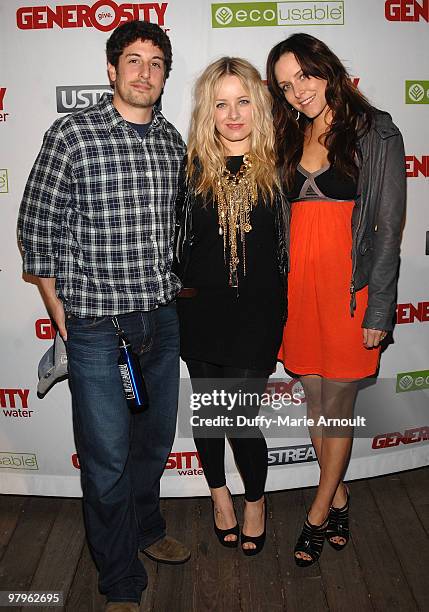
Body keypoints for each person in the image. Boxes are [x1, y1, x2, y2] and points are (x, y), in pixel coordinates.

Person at [18, 20, 189, 612]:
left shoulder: (173, 143)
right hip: (94, 327)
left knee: (152, 445)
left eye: (157, 62)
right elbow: (34, 229)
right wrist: (59, 311)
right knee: (107, 458)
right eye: (134, 61)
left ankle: (147, 530)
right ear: (112, 69)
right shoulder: (74, 134)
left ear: (166, 75)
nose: (145, 72)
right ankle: (119, 581)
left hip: (160, 322)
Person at [266, 33, 406, 566]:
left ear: (327, 69)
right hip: (301, 292)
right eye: (285, 85)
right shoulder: (289, 134)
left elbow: (389, 228)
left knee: (337, 409)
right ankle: (341, 494)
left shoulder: (376, 131)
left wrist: (380, 309)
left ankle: (318, 513)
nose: (297, 90)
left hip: (352, 294)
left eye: (304, 75)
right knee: (315, 402)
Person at [175, 57, 289, 556]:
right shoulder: (189, 167)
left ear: (258, 105)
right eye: (221, 103)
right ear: (208, 110)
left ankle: (256, 501)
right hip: (199, 312)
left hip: (257, 315)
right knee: (208, 413)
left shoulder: (285, 166)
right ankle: (219, 494)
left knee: (239, 417)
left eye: (243, 101)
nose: (233, 113)